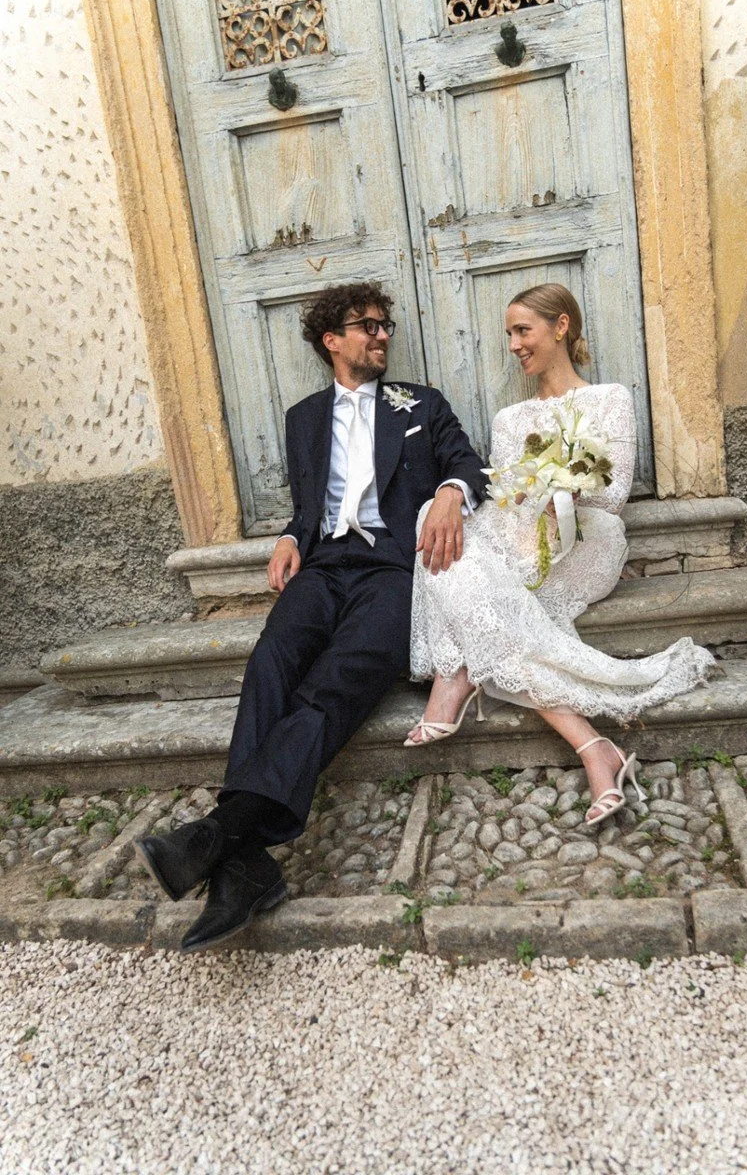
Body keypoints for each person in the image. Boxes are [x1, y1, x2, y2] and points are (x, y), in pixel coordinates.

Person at [136, 281, 487, 951]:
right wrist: (294, 537)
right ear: (331, 340)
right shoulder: (303, 418)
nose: (381, 335)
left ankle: (218, 839)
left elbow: (468, 463)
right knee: (272, 660)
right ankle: (240, 863)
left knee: (340, 676)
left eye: (386, 325)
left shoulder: (420, 404)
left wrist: (448, 491)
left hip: (390, 569)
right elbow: (307, 506)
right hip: (323, 566)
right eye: (366, 326)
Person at [406, 283, 716, 822]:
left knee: (489, 606)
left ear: (561, 327)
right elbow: (504, 496)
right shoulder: (509, 420)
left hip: (590, 539)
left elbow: (615, 495)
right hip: (523, 537)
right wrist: (529, 494)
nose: (514, 344)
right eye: (509, 334)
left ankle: (453, 678)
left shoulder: (610, 399)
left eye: (522, 331)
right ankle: (595, 748)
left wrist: (566, 487)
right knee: (438, 524)